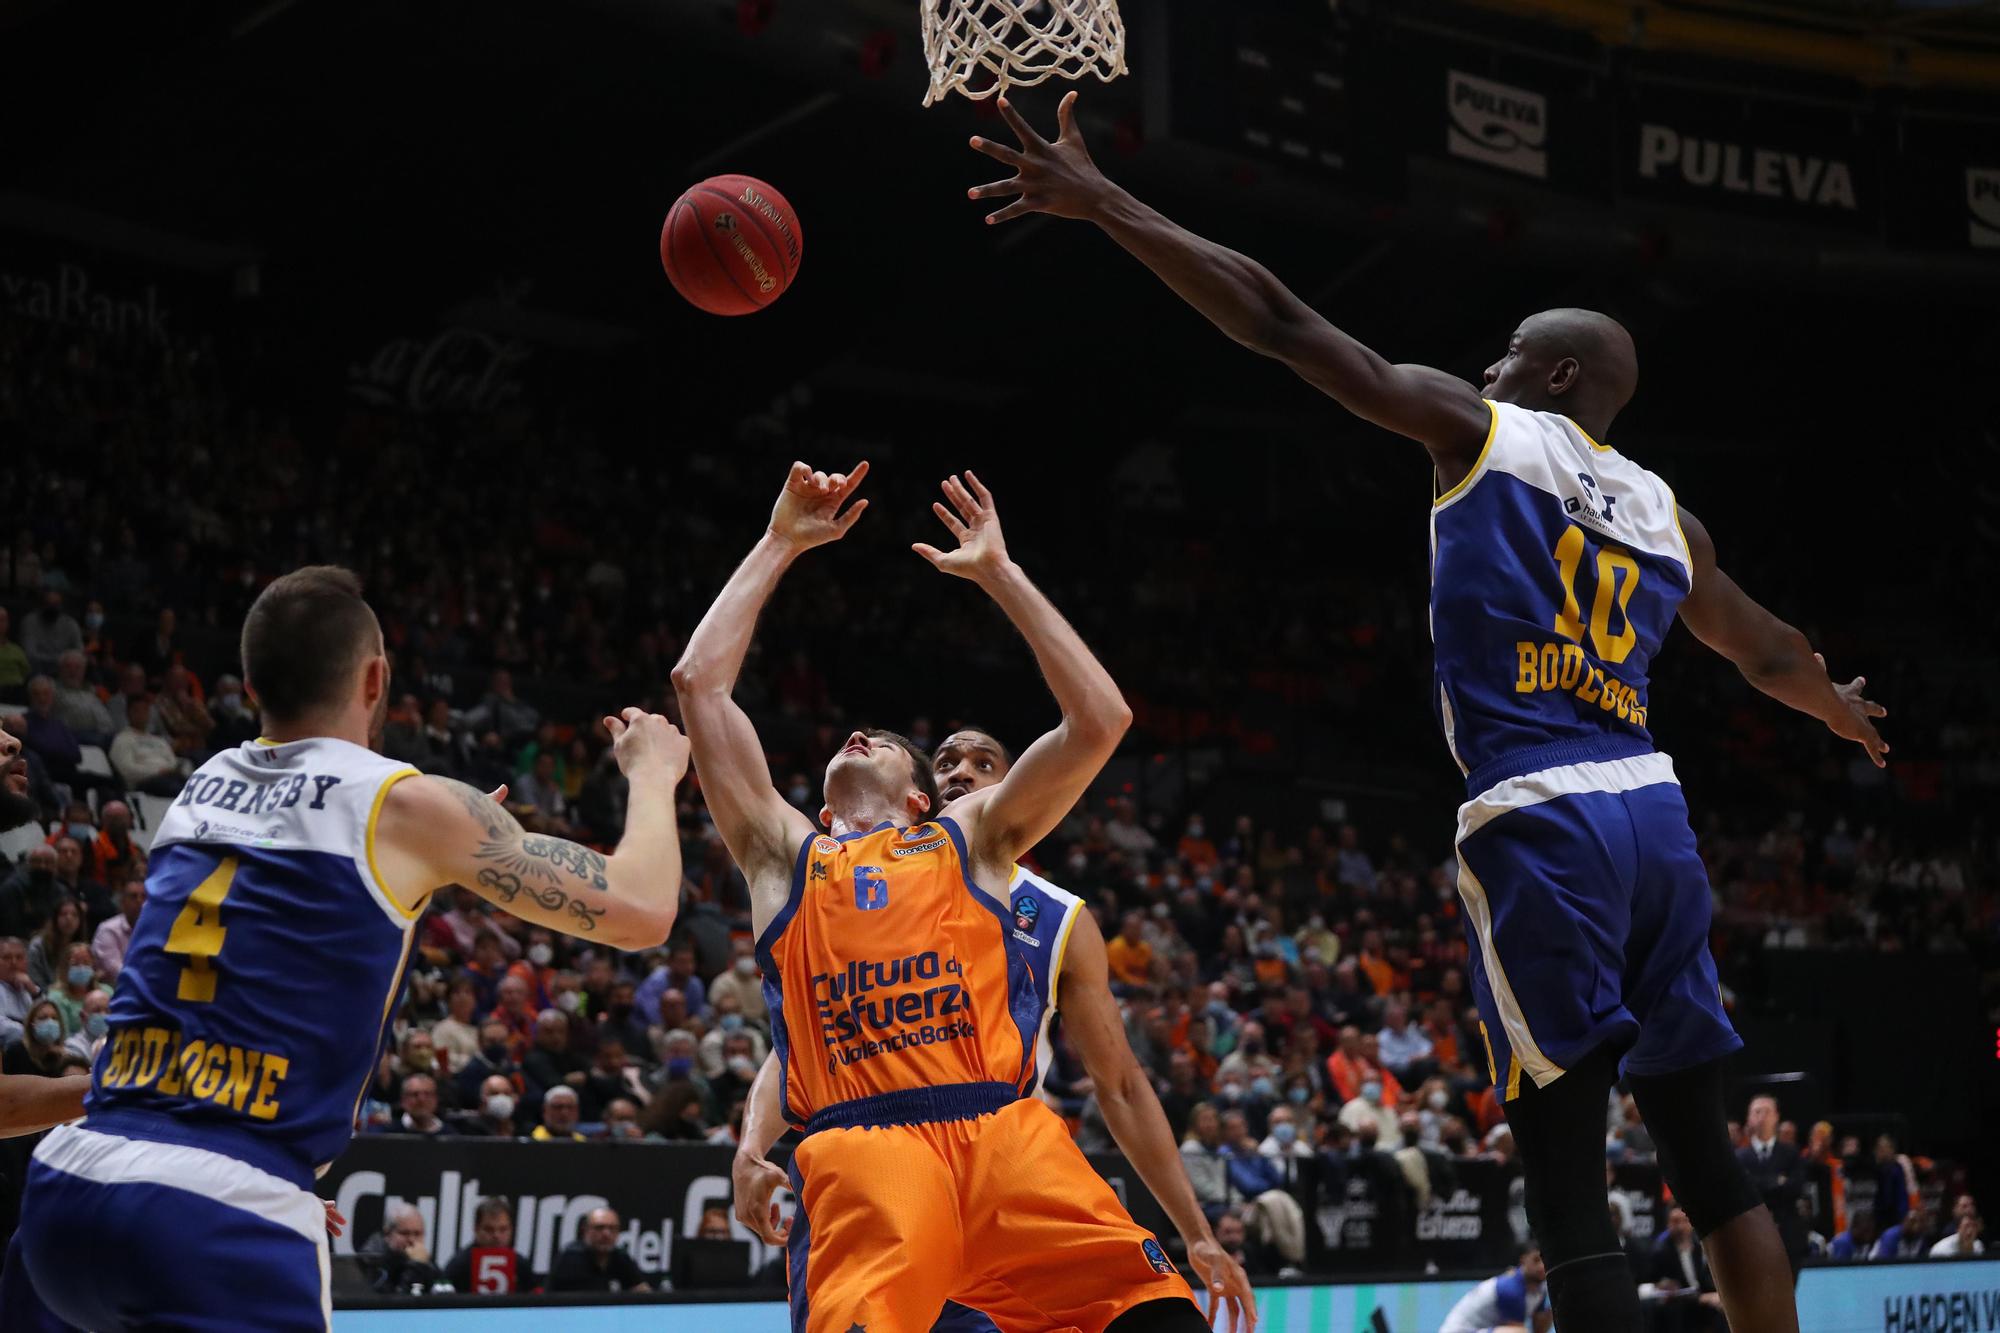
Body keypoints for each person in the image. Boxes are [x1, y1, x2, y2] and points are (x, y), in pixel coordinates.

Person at [969, 93, 1890, 1333]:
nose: (1487, 361)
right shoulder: (1670, 513)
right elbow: (1765, 649)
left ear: (1556, 376)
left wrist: (1111, 205)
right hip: (1654, 818)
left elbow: (1283, 322)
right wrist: (1834, 707)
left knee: (1563, 1188)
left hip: (1544, 815)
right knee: (1706, 1158)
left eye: (1509, 348)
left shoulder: (1484, 430)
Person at [0, 565, 692, 1331]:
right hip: (214, 1209)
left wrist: (437, 857)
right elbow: (645, 909)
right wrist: (654, 775)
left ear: (254, 680)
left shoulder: (202, 784)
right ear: (375, 677)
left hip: (69, 1186)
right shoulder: (406, 803)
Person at [679, 465, 1249, 1333]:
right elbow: (699, 686)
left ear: (921, 801)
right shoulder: (785, 854)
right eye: (848, 737)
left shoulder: (966, 838)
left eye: (888, 743)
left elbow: (1100, 719)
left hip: (1002, 1135)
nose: (857, 733)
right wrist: (780, 541)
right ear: (824, 808)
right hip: (868, 1148)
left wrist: (999, 573)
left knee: (1159, 1316)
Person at [737, 717, 1250, 1333]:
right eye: (948, 761)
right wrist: (749, 1147)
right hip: (890, 1171)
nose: (962, 773)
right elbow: (795, 1043)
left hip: (999, 1175)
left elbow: (1120, 1085)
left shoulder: (1059, 917)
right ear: (921, 791)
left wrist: (1196, 1233)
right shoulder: (850, 883)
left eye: (984, 766)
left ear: (1021, 791)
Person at [1439, 1244, 1551, 1333]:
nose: (1541, 1266)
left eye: (1544, 1261)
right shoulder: (1511, 1289)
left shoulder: (1540, 1289)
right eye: (1536, 1260)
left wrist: (1553, 1306)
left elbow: (1539, 1330)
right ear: (1523, 1261)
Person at [443, 1197, 537, 1294]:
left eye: (503, 1229)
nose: (496, 1235)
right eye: (489, 1229)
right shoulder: (459, 1266)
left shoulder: (521, 1266)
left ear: (511, 1230)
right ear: (476, 1229)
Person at [547, 1207, 652, 1293]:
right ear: (585, 1230)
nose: (606, 1234)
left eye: (612, 1228)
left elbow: (641, 1288)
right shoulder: (570, 1257)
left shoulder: (621, 1257)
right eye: (599, 1228)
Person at [356, 1203, 442, 1295]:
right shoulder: (371, 1260)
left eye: (417, 1234)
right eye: (405, 1233)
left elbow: (443, 1293)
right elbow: (398, 1304)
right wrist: (417, 1266)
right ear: (387, 1234)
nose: (412, 1240)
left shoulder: (422, 1258)